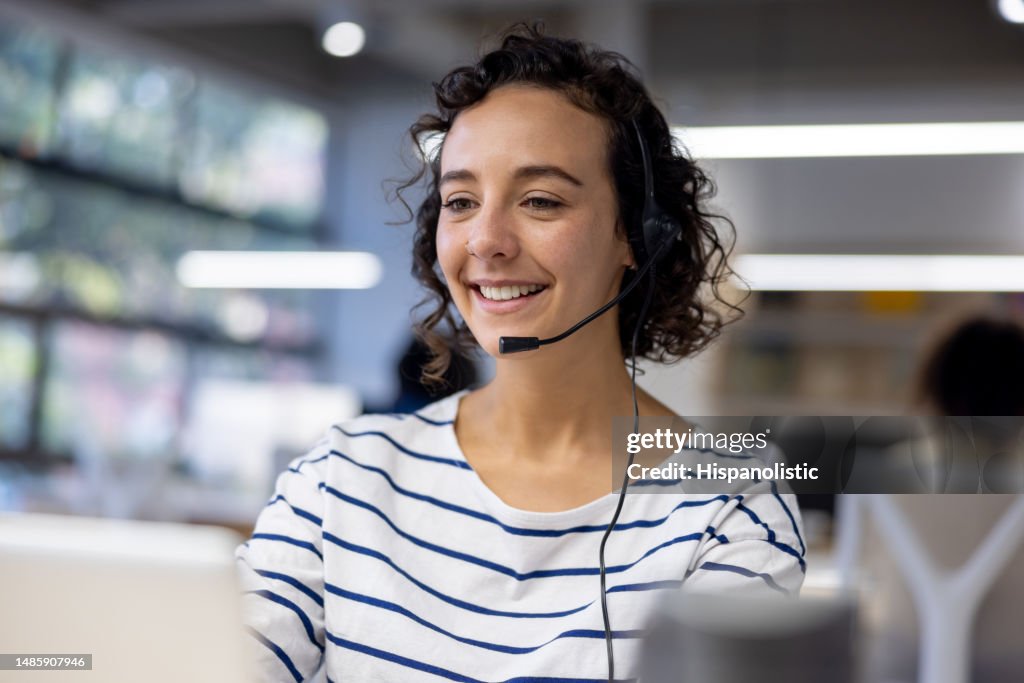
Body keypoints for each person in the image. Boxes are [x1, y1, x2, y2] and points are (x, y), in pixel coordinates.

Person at [235, 22, 805, 682]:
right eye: (460, 201)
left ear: (638, 235)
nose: (487, 240)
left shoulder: (729, 496)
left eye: (540, 199)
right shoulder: (343, 477)